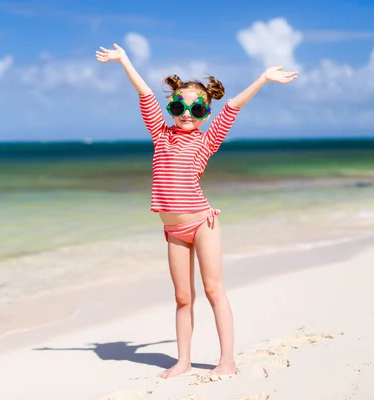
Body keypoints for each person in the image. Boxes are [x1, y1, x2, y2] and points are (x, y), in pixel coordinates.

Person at [95, 43, 298, 378]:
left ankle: (227, 361)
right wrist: (124, 61)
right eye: (179, 106)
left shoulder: (206, 141)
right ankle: (183, 361)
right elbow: (146, 95)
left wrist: (263, 78)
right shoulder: (160, 135)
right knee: (182, 297)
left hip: (202, 223)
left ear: (205, 113)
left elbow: (232, 108)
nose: (187, 114)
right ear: (172, 106)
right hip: (173, 231)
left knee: (214, 290)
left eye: (197, 110)